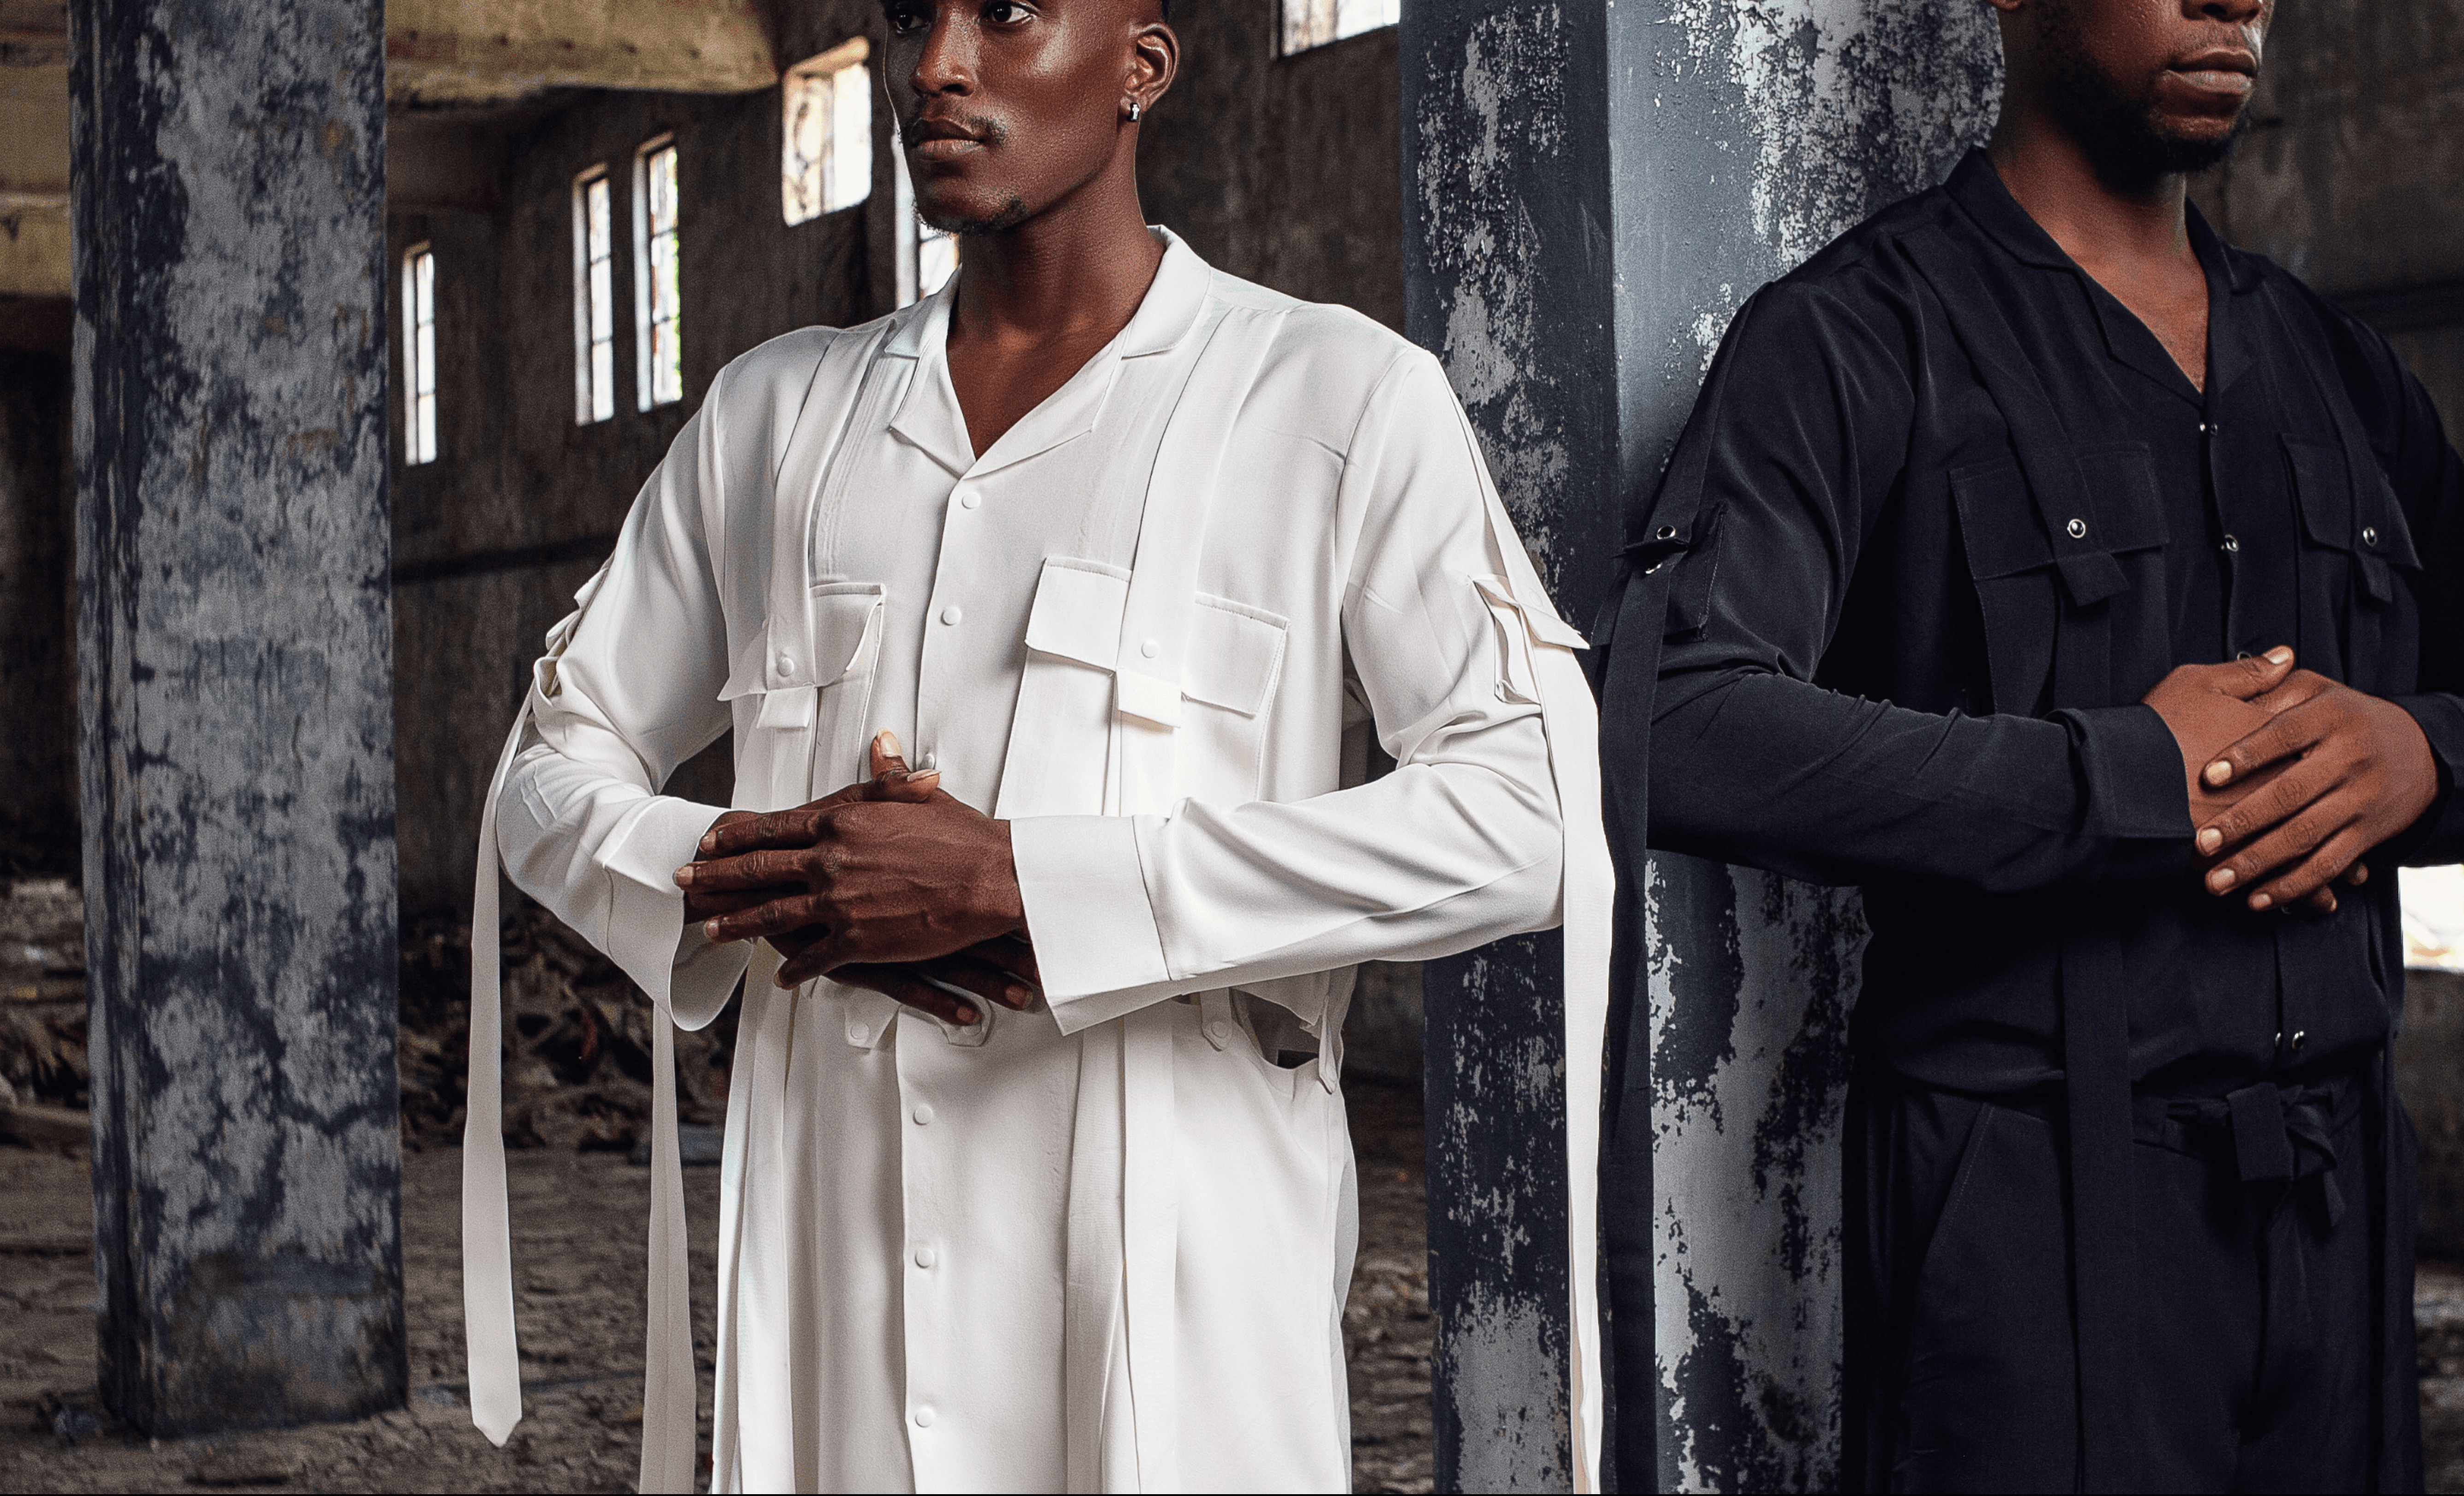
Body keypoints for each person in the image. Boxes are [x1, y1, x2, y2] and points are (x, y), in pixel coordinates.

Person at [462, 1, 1611, 1491]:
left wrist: (1032, 887)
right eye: (911, 16)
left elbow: (1530, 814)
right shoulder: (773, 417)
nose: (937, 64)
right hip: (834, 1271)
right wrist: (781, 880)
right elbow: (546, 773)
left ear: (1143, 64)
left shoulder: (1335, 398)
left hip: (1173, 1309)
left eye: (1006, 11)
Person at [1600, 0, 2464, 1489]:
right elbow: (1676, 724)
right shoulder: (1862, 335)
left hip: (2338, 1205)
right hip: (2023, 1216)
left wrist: (2419, 758)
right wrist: (2124, 778)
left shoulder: (2337, 367)